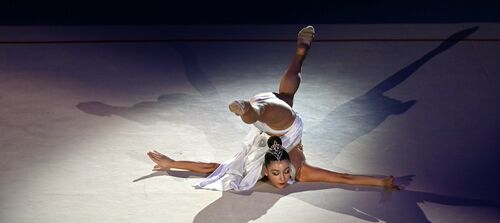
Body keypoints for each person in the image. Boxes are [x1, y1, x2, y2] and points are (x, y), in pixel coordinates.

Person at [147, 25, 399, 191]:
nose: (282, 177)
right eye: (280, 172)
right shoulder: (301, 172)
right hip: (280, 125)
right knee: (285, 99)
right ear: (267, 169)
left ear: (264, 168)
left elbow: (210, 167)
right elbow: (344, 178)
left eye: (280, 173)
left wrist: (174, 163)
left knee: (280, 103)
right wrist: (381, 180)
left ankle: (251, 107)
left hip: (271, 122)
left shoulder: (254, 166)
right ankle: (296, 58)